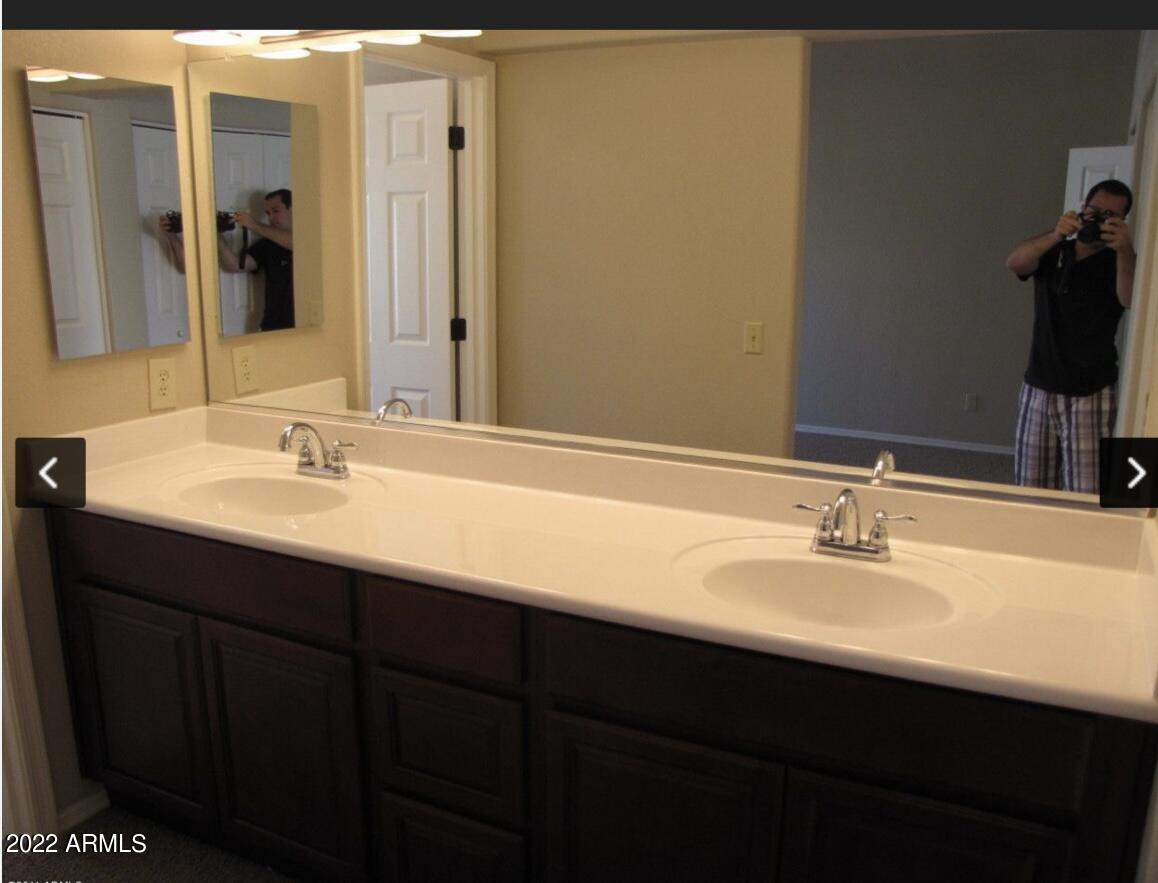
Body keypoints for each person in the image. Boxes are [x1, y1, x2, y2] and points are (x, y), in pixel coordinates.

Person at [1004, 179, 1135, 493]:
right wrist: (1056, 233)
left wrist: (1125, 251)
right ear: (1082, 209)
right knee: (1030, 491)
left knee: (1088, 494)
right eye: (1095, 211)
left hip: (1091, 394)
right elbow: (1015, 262)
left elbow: (1130, 300)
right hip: (1038, 389)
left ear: (1122, 222)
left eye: (1111, 216)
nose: (1100, 220)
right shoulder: (1055, 251)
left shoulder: (1120, 261)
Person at [219, 188, 295, 331]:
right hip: (273, 327)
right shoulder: (267, 245)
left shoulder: (313, 237)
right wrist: (216, 235)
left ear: (292, 208)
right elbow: (235, 265)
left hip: (305, 328)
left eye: (276, 211)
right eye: (268, 213)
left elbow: (298, 244)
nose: (271, 218)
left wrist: (254, 225)